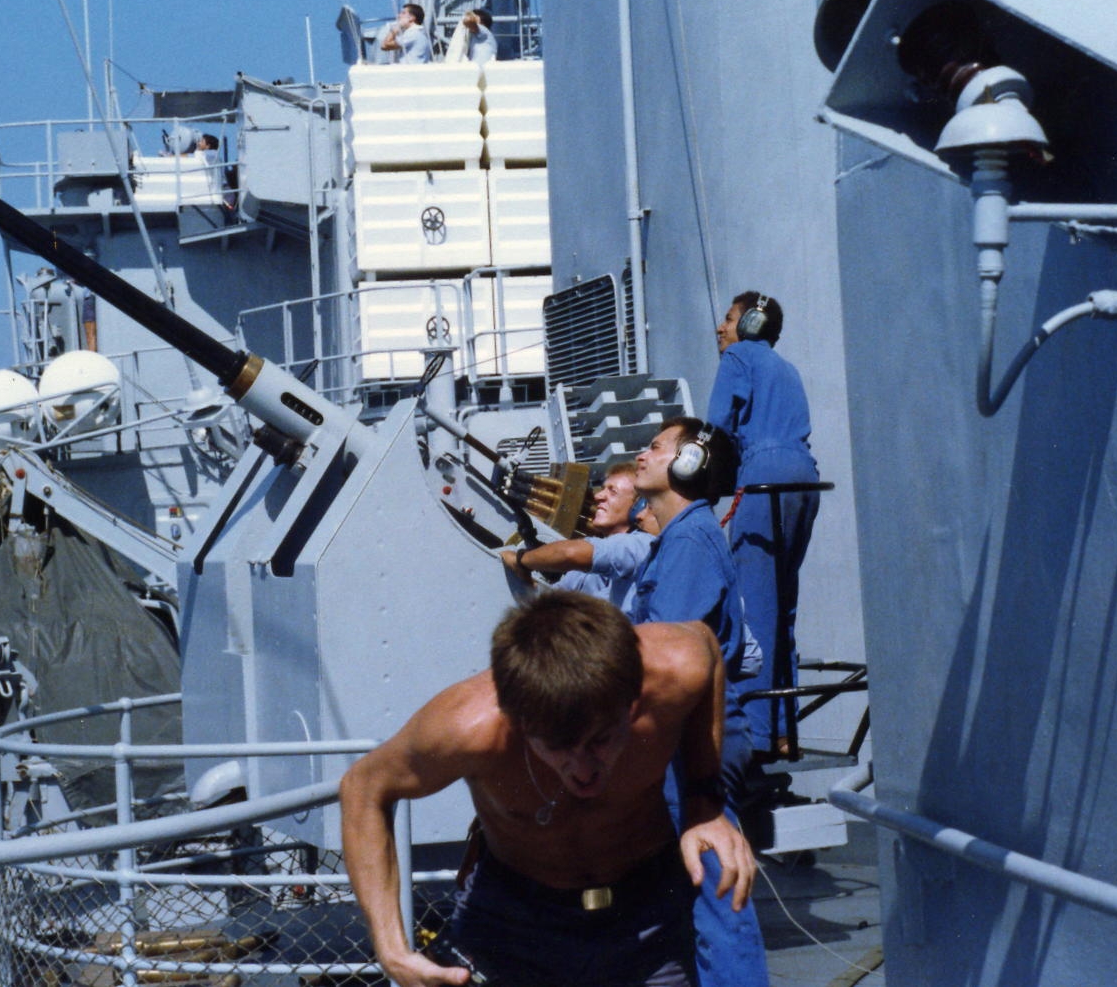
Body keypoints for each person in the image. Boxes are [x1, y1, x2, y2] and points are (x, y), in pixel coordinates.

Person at [340, 590, 756, 987]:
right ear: (518, 720)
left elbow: (706, 644)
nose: (583, 770)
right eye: (557, 747)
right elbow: (363, 787)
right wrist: (391, 949)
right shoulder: (469, 727)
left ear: (631, 701)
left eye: (601, 740)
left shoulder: (674, 668)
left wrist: (705, 805)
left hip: (645, 915)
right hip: (513, 924)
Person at [633, 417, 770, 987]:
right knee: (699, 883)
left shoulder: (689, 541)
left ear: (689, 462)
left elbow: (669, 658)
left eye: (655, 446)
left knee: (717, 888)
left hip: (690, 732)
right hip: (684, 728)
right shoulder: (680, 539)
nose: (641, 455)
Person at [707, 292, 820, 759]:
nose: (721, 328)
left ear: (750, 324)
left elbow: (717, 428)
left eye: (729, 318)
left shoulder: (738, 357)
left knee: (753, 605)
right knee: (782, 605)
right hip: (804, 477)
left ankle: (754, 736)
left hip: (762, 473)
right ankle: (784, 730)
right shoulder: (786, 368)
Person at [500, 462, 653, 613]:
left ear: (638, 507)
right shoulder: (585, 569)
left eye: (613, 492)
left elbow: (569, 553)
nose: (598, 496)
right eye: (603, 489)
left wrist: (521, 561)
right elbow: (552, 598)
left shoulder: (642, 545)